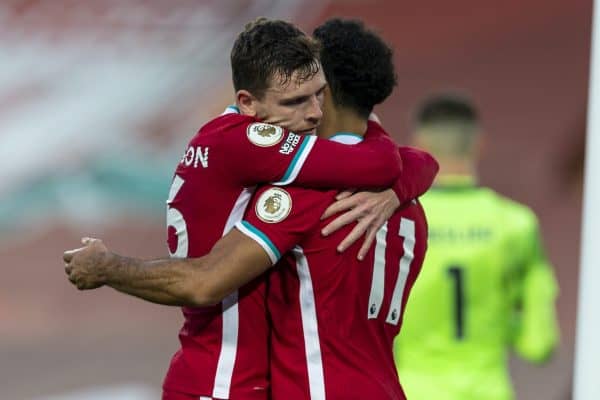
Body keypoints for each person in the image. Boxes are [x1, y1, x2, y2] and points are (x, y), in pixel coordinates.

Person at [63, 18, 438, 400]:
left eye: (317, 96)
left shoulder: (290, 186)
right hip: (244, 384)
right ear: (248, 103)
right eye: (295, 101)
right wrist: (401, 186)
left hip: (247, 382)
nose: (311, 113)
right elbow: (203, 281)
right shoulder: (409, 210)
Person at [392, 93, 560, 400]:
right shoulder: (516, 224)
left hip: (412, 390)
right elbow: (540, 343)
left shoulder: (397, 222)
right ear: (479, 144)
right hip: (489, 390)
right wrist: (498, 318)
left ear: (418, 145)